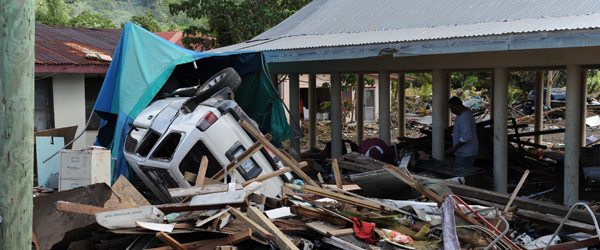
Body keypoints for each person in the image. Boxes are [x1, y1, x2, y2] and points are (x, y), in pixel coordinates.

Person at [445, 96, 478, 166]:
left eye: (452, 108)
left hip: (465, 153)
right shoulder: (463, 114)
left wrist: (455, 147)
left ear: (459, 106)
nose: (451, 111)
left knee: (463, 173)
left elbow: (467, 137)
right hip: (465, 151)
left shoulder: (465, 117)